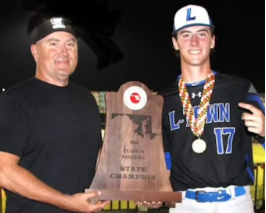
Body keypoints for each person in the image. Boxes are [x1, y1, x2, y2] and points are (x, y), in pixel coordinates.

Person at [156, 4, 265, 213]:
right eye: (186, 35)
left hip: (236, 203)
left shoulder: (240, 88)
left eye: (202, 33)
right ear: (175, 42)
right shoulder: (164, 100)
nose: (194, 42)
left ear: (213, 40)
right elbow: (165, 155)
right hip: (184, 204)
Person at [0, 17, 110, 213]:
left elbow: (97, 159)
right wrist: (67, 202)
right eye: (53, 43)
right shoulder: (13, 100)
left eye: (70, 44)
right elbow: (4, 171)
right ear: (35, 51)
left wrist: (137, 188)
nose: (63, 52)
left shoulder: (87, 100)